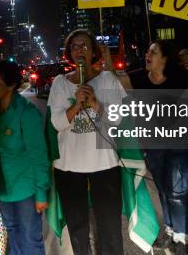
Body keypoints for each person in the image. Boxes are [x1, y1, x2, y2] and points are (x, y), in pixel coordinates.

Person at [125, 40, 188, 255]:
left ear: (164, 58)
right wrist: (105, 61)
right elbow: (115, 81)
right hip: (153, 145)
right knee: (163, 190)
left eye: (153, 51)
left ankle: (182, 240)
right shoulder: (138, 77)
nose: (147, 54)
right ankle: (171, 232)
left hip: (180, 143)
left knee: (177, 191)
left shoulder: (181, 76)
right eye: (148, 50)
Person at [47, 30, 126, 255]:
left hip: (105, 165)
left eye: (84, 45)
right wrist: (75, 106)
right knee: (78, 228)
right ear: (69, 53)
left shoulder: (107, 79)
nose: (79, 50)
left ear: (93, 51)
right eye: (74, 46)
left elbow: (116, 119)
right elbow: (56, 123)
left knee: (109, 226)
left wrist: (95, 104)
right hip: (69, 167)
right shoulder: (60, 83)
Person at [0, 60, 49, 255]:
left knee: (30, 239)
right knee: (12, 233)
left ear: (11, 85)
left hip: (26, 190)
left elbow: (39, 156)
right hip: (1, 189)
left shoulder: (27, 113)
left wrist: (41, 193)